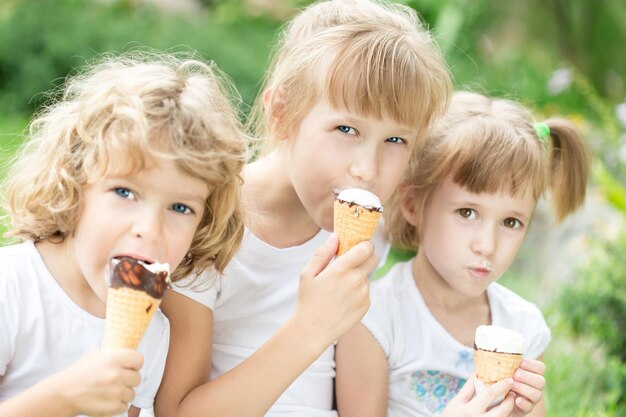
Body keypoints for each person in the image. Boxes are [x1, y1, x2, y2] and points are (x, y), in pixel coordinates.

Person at [152, 1, 453, 417]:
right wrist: (310, 328)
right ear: (281, 113)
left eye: (396, 141)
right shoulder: (210, 221)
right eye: (346, 129)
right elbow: (176, 411)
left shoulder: (375, 233)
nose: (366, 170)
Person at [0, 51, 247, 417]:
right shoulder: (12, 289)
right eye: (125, 193)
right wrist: (62, 397)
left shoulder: (154, 331)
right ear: (74, 182)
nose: (148, 229)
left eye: (180, 208)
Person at [335, 90, 591, 417]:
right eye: (467, 213)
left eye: (511, 221)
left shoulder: (521, 326)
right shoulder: (373, 316)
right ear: (414, 204)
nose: (487, 245)